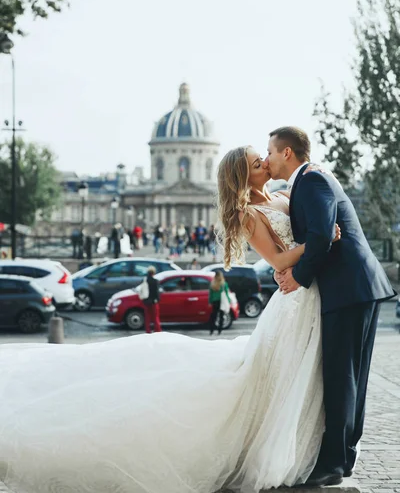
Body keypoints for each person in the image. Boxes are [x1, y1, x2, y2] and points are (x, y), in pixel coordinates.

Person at [0, 144, 342, 493]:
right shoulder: (248, 212)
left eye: (263, 157)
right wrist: (319, 241)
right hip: (294, 297)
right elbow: (282, 257)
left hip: (303, 296)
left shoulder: (288, 192)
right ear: (242, 175)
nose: (267, 162)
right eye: (258, 162)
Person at [265, 126, 396, 487]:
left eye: (271, 151)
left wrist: (298, 278)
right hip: (355, 287)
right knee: (351, 375)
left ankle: (334, 464)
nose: (268, 158)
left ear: (287, 153)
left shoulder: (311, 180)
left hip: (347, 288)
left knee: (342, 376)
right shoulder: (309, 179)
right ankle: (345, 457)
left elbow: (322, 235)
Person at [208, 270, 230, 335]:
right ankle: (219, 331)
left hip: (215, 302)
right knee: (221, 316)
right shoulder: (224, 284)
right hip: (222, 302)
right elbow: (226, 293)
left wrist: (210, 302)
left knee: (213, 316)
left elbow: (210, 294)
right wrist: (228, 301)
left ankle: (211, 330)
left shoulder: (212, 283)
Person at [143, 266, 162, 334]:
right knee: (155, 317)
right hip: (154, 301)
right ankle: (157, 330)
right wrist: (158, 299)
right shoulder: (155, 281)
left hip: (146, 301)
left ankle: (148, 330)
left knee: (147, 317)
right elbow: (157, 293)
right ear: (154, 273)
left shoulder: (145, 281)